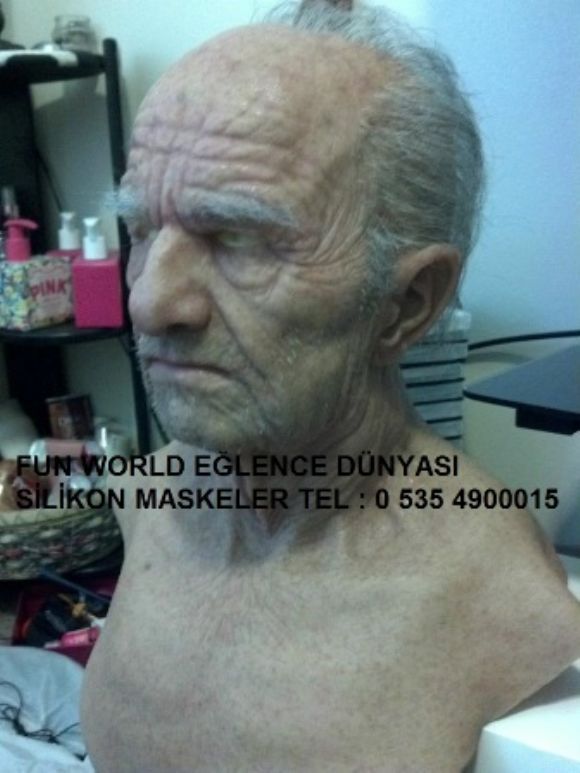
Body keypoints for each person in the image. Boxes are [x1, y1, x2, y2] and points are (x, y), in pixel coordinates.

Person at [81, 1, 580, 770]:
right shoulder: (145, 502)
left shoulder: (501, 597)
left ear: (406, 303)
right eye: (142, 229)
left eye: (238, 238)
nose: (149, 301)